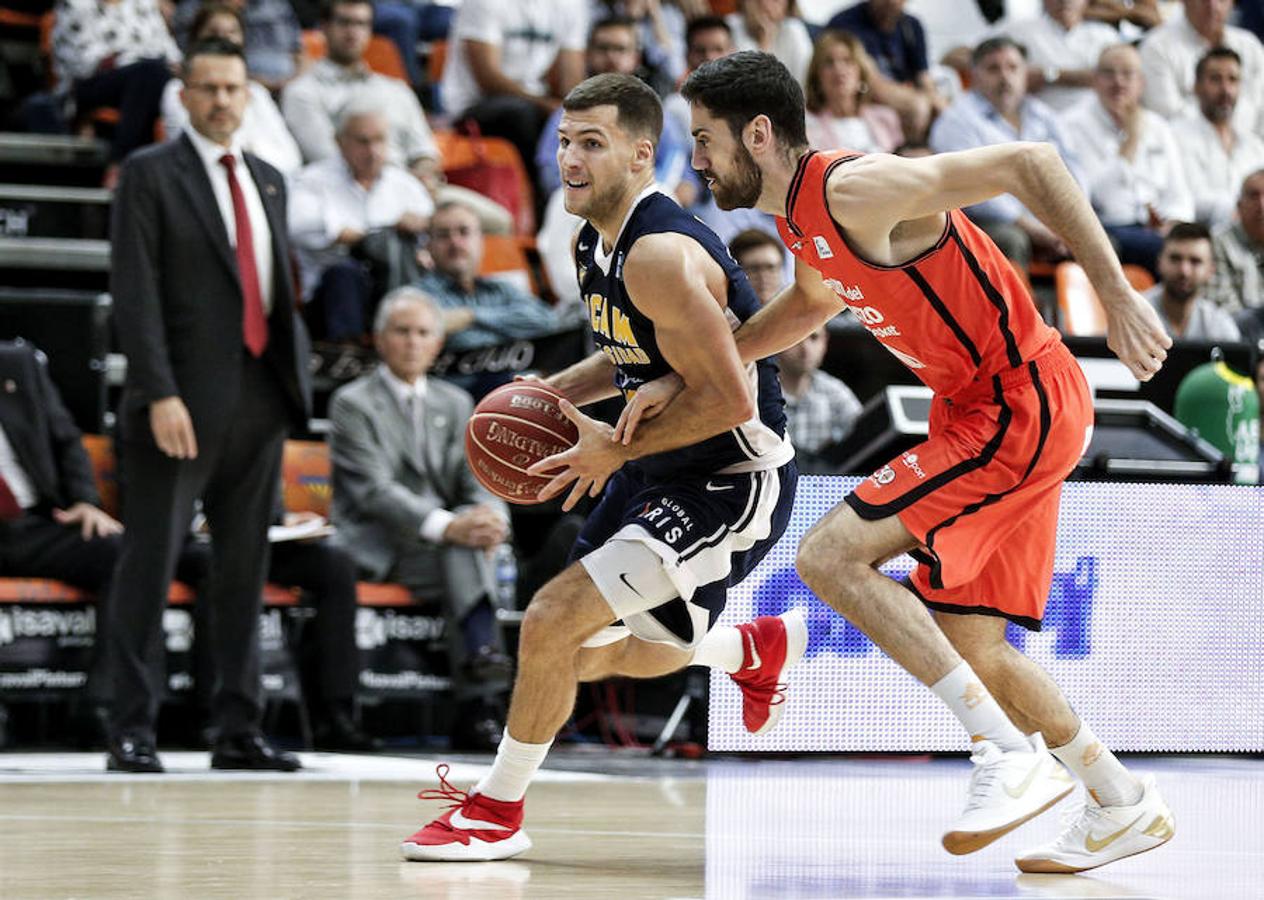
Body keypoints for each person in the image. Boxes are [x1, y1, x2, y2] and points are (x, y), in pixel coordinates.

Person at [650, 49, 1176, 873]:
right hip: (990, 407)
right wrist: (705, 371)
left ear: (758, 134)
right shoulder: (799, 219)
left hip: (1017, 401)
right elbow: (811, 304)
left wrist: (1112, 291)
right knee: (976, 645)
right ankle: (1123, 802)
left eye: (706, 140)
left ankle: (1006, 755)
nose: (699, 160)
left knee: (828, 556)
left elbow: (1029, 160)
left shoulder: (850, 188)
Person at [400, 73, 802, 861]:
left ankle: (496, 810)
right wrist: (547, 391)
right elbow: (624, 355)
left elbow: (729, 397)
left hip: (730, 478)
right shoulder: (593, 239)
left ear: (640, 154)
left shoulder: (660, 253)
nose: (570, 159)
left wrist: (611, 447)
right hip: (658, 465)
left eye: (592, 143)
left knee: (551, 621)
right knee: (580, 652)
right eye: (562, 141)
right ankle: (745, 651)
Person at [106, 37, 312, 774]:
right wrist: (157, 390)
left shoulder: (269, 177)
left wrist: (294, 391)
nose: (222, 100)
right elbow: (135, 293)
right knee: (150, 565)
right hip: (178, 403)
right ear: (184, 96)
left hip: (259, 398)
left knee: (242, 571)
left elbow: (272, 293)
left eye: (233, 87)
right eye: (208, 88)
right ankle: (131, 726)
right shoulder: (149, 174)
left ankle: (237, 729)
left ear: (248, 96)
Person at [328, 289, 515, 751]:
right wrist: (450, 526)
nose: (412, 342)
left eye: (423, 333)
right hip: (379, 542)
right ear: (379, 339)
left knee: (469, 545)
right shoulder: (351, 403)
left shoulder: (454, 402)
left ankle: (479, 669)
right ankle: (481, 699)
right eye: (402, 332)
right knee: (464, 549)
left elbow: (479, 473)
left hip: (440, 548)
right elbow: (374, 491)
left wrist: (489, 515)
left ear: (437, 345)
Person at [0, 341, 122, 728]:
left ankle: (103, 706)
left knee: (117, 552)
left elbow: (67, 439)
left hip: (31, 522)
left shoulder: (17, 365)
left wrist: (86, 501)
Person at [929, 36, 1081, 270]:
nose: (1005, 77)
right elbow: (973, 187)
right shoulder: (957, 120)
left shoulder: (1043, 115)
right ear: (975, 75)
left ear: (1024, 73)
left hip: (1053, 217)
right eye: (993, 69)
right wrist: (1030, 227)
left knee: (1105, 240)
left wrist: (1075, 219)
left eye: (1013, 68)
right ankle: (1012, 307)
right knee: (1011, 240)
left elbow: (1074, 166)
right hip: (985, 219)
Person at [289, 104, 434, 341]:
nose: (373, 150)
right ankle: (348, 355)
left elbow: (428, 237)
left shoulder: (405, 185)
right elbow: (299, 227)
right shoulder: (311, 180)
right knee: (345, 272)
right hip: (330, 298)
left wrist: (421, 229)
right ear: (339, 141)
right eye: (363, 141)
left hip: (396, 283)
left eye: (379, 140)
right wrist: (377, 235)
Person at [1058, 43, 1192, 277]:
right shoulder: (1070, 126)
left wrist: (1175, 223)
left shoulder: (1158, 126)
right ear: (1095, 80)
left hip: (1157, 230)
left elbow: (1179, 193)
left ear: (1141, 83)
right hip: (1104, 228)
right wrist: (1130, 144)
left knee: (1198, 248)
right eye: (1109, 73)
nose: (1118, 82)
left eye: (1127, 74)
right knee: (1169, 254)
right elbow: (1095, 197)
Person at [438, 0, 589, 194]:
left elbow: (572, 82)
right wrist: (547, 106)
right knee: (522, 115)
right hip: (475, 106)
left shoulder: (571, 5)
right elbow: (488, 79)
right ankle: (538, 199)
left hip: (532, 103)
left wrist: (573, 110)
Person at [161, 3, 303, 177]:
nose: (223, 38)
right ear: (196, 36)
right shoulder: (177, 90)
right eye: (213, 32)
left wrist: (247, 153)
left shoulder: (257, 92)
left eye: (232, 32)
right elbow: (193, 152)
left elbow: (291, 159)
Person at [50, 0, 180, 185]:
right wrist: (135, 59)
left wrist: (133, 58)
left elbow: (169, 52)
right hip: (90, 85)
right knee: (149, 74)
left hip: (145, 82)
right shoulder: (75, 4)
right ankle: (124, 166)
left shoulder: (143, 3)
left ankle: (123, 166)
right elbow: (79, 62)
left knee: (158, 78)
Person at [416, 200, 560, 353]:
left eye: (464, 232)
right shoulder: (418, 298)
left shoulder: (501, 288)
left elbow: (547, 321)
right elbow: (465, 343)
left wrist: (470, 316)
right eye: (444, 235)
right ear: (429, 246)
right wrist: (509, 329)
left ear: (481, 241)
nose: (455, 242)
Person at [1139, 0, 1264, 135]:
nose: (1213, 6)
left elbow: (1259, 110)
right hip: (1183, 149)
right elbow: (1166, 117)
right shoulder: (1157, 47)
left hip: (1250, 149)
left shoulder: (1251, 47)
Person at [826, 0, 946, 139]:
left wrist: (940, 107)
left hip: (904, 99)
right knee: (917, 109)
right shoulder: (846, 24)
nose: (891, 2)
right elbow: (872, 84)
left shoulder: (911, 26)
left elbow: (924, 77)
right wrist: (918, 101)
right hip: (866, 106)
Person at [1174, 47, 1264, 228]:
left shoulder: (1254, 145)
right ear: (1196, 86)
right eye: (1215, 79)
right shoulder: (1176, 135)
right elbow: (1187, 200)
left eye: (1233, 80)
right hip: (1199, 237)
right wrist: (1245, 208)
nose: (1226, 90)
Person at [999, 0, 1121, 112]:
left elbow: (1113, 79)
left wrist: (1047, 76)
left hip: (1092, 124)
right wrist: (1084, 77)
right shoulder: (1017, 31)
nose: (1064, 1)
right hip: (1036, 122)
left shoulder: (1106, 36)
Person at [803, 30, 903, 154]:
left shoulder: (886, 118)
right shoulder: (808, 126)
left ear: (861, 73)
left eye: (847, 61)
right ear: (816, 77)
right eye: (829, 62)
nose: (839, 69)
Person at [777, 327, 863, 471]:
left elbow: (865, 438)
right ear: (774, 342)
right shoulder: (758, 392)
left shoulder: (835, 391)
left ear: (825, 341)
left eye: (814, 338)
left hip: (820, 486)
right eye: (795, 338)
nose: (805, 349)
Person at [1144, 222, 1239, 341]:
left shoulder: (1220, 325)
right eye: (1175, 259)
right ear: (1159, 263)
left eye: (1195, 261)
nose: (1184, 271)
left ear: (1211, 270)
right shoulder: (1134, 314)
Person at [1208, 168, 1264, 312]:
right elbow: (1222, 309)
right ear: (1239, 206)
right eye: (1253, 196)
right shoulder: (1218, 242)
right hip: (1237, 330)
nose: (1261, 206)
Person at [726, 0, 814, 87]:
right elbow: (746, 86)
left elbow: (804, 82)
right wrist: (764, 42)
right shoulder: (731, 26)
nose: (765, 4)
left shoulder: (794, 30)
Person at [729, 227, 787, 304]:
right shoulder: (720, 314)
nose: (763, 277)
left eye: (770, 267)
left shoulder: (800, 312)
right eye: (753, 269)